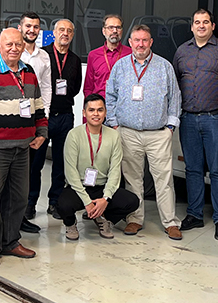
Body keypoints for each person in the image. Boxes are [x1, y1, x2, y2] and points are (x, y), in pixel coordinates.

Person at [0, 28, 48, 267]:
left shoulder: (29, 72)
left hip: (23, 147)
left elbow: (37, 106)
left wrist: (42, 132)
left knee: (19, 197)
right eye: (9, 44)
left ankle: (11, 241)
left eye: (18, 44)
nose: (14, 48)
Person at [105, 24, 183, 239]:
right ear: (130, 42)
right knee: (132, 179)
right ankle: (134, 219)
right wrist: (113, 124)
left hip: (158, 133)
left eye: (145, 40)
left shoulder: (164, 66)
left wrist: (170, 127)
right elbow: (109, 96)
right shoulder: (120, 66)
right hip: (128, 132)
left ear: (151, 42)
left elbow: (175, 97)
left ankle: (170, 222)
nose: (140, 44)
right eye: (136, 40)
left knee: (164, 180)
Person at [172, 9, 218, 239]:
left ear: (213, 26)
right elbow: (175, 82)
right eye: (197, 22)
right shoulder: (181, 51)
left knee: (217, 170)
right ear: (192, 26)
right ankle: (195, 214)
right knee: (193, 169)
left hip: (214, 118)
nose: (201, 26)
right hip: (187, 118)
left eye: (205, 22)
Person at [58, 94, 140, 241]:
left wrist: (106, 198)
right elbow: (70, 174)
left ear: (105, 113)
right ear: (84, 113)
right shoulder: (74, 135)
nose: (96, 114)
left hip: (101, 186)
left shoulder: (114, 135)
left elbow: (115, 171)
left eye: (100, 110)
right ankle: (70, 224)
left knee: (132, 201)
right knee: (63, 205)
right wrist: (87, 202)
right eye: (91, 110)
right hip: (79, 186)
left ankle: (104, 218)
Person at [39, 19, 82, 219]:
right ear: (53, 33)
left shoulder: (74, 59)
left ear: (73, 35)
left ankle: (54, 202)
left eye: (69, 31)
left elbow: (76, 88)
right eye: (61, 30)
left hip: (65, 116)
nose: (65, 33)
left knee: (61, 163)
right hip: (44, 116)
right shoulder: (42, 54)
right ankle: (29, 203)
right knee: (36, 162)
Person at [18, 11, 52, 233]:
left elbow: (47, 86)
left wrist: (44, 113)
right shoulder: (12, 50)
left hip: (34, 120)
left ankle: (24, 213)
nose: (32, 30)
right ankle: (9, 217)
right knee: (14, 170)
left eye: (36, 26)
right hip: (12, 121)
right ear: (20, 27)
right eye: (28, 26)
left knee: (32, 168)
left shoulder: (43, 56)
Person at [83, 14, 131, 98]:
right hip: (100, 105)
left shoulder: (131, 54)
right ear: (103, 31)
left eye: (118, 27)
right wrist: (89, 106)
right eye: (110, 27)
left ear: (122, 31)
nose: (115, 31)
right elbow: (88, 87)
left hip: (122, 104)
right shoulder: (93, 55)